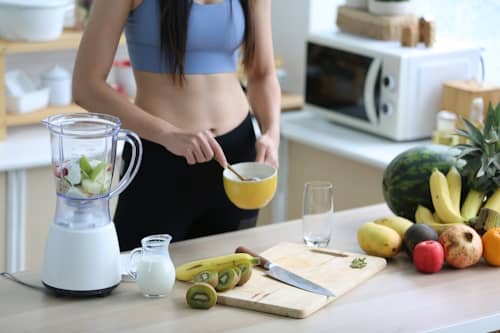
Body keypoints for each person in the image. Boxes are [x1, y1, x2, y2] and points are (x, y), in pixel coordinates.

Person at [72, 0, 281, 251]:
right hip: (160, 158)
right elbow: (86, 86)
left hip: (236, 161)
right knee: (136, 281)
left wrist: (272, 132)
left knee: (227, 279)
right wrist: (167, 133)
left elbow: (262, 74)